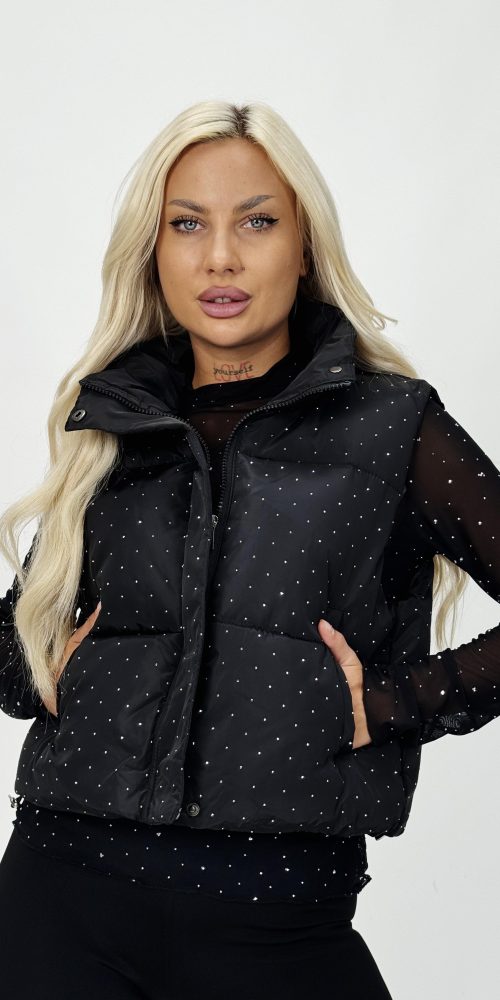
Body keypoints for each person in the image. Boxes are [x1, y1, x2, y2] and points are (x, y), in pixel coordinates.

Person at [0, 100, 498, 1000]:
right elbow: (14, 647)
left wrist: (396, 702)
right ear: (154, 250)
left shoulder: (394, 429)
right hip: (56, 901)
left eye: (257, 222)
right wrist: (43, 666)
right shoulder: (115, 420)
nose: (220, 258)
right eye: (187, 224)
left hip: (277, 920)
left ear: (304, 247)